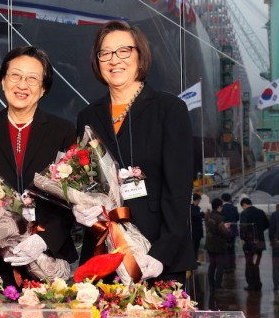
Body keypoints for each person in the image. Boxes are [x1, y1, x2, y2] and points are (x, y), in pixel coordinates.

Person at [74, 20, 196, 285]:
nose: (114, 60)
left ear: (140, 56)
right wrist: (80, 209)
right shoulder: (88, 115)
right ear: (98, 61)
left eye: (124, 51)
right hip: (103, 250)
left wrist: (161, 254)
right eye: (105, 53)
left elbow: (179, 191)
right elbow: (85, 180)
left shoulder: (168, 109)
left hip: (157, 254)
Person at [0, 46, 77, 296]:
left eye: (32, 78)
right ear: (3, 81)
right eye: (15, 76)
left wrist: (43, 241)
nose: (22, 85)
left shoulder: (63, 132)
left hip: (47, 258)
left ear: (43, 88)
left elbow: (73, 199)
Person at [239, 197, 269, 291]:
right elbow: (267, 224)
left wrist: (243, 238)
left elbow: (243, 227)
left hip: (249, 242)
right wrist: (258, 232)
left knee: (249, 264)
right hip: (260, 241)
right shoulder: (260, 211)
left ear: (244, 204)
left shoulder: (244, 213)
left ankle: (251, 284)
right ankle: (258, 283)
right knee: (256, 264)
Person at [205, 198, 233, 291]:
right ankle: (218, 285)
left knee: (212, 265)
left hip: (209, 244)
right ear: (219, 207)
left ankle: (211, 284)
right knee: (220, 266)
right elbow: (223, 232)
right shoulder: (220, 218)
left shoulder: (208, 216)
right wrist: (227, 228)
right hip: (219, 245)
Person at [221, 192, 239, 273]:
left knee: (225, 250)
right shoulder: (234, 208)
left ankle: (226, 267)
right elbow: (237, 218)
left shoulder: (221, 208)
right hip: (233, 231)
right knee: (232, 249)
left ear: (222, 199)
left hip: (224, 231)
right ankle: (232, 266)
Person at [191, 193, 205, 262]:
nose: (198, 202)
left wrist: (200, 215)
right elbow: (194, 216)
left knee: (197, 246)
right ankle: (192, 259)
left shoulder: (198, 208)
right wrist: (199, 215)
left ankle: (195, 258)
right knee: (193, 245)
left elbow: (202, 214)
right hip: (193, 230)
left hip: (199, 230)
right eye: (198, 201)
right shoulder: (191, 208)